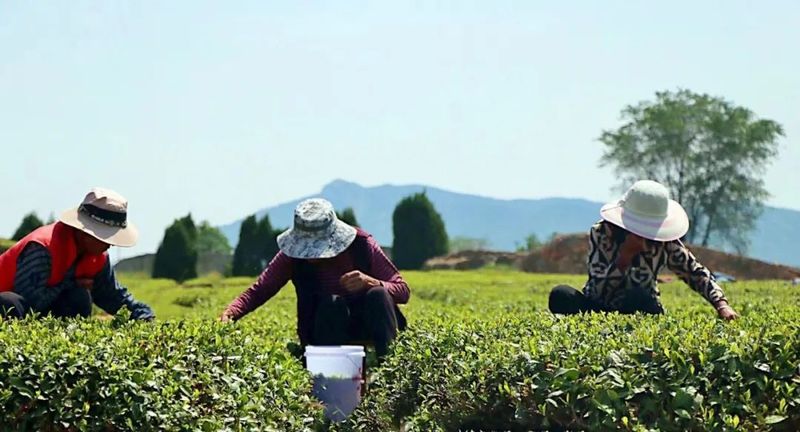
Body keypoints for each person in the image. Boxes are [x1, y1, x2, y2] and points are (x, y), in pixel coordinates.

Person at [221, 198, 409, 357]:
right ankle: (330, 377)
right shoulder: (291, 256)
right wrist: (231, 313)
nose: (311, 255)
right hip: (324, 330)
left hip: (369, 325)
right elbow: (260, 290)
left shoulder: (362, 245)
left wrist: (371, 281)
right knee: (332, 303)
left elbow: (403, 291)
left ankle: (388, 369)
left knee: (378, 294)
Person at [548, 180, 738, 320]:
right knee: (561, 295)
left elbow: (694, 272)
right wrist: (624, 257)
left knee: (639, 295)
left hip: (640, 303)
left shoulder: (665, 241)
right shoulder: (602, 232)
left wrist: (721, 305)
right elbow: (598, 285)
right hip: (599, 304)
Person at [0, 188, 154, 320]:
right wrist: (69, 283)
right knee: (9, 303)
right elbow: (30, 302)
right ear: (85, 232)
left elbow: (113, 297)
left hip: (43, 312)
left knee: (78, 297)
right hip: (12, 305)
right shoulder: (42, 248)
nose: (110, 244)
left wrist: (142, 314)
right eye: (106, 237)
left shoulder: (98, 257)